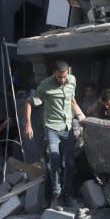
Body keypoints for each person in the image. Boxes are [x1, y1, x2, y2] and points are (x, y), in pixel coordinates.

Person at [24, 61, 85, 208]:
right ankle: (56, 195)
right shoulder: (45, 85)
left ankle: (67, 194)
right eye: (59, 78)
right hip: (52, 129)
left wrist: (80, 114)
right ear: (54, 73)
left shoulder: (72, 80)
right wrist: (28, 124)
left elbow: (71, 99)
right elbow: (29, 102)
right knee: (54, 159)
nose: (62, 80)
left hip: (67, 128)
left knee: (70, 163)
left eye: (64, 77)